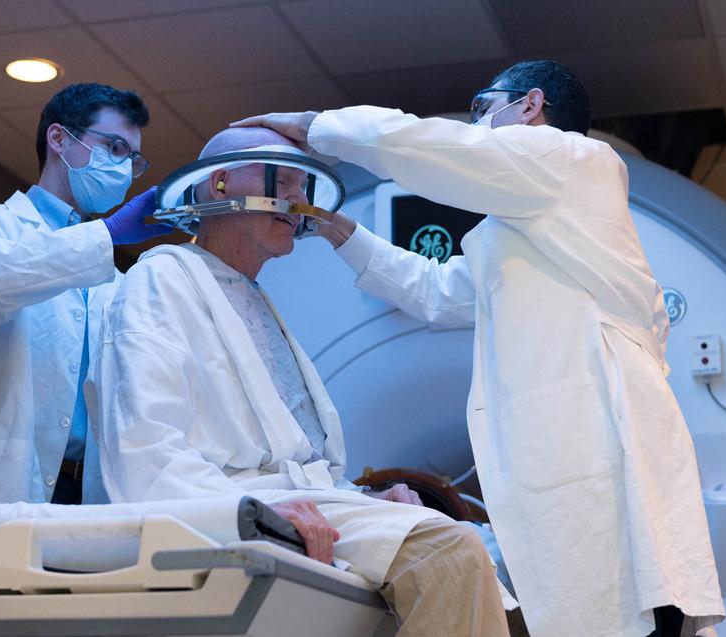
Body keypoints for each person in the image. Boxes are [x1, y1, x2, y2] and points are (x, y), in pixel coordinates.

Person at [233, 60, 726, 637]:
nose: (477, 123)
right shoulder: (522, 232)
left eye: (483, 106)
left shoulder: (576, 160)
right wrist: (338, 227)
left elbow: (441, 149)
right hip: (566, 457)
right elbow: (437, 293)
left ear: (531, 106)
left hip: (601, 442)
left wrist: (317, 127)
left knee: (633, 605)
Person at [84, 126, 513, 637]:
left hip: (298, 502)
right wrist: (256, 510)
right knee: (447, 552)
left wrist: (366, 499)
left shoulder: (253, 299)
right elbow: (145, 453)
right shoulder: (162, 280)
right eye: (283, 182)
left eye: (302, 187)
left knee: (481, 547)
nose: (298, 200)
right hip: (227, 507)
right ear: (219, 185)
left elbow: (295, 460)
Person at [0, 82, 172, 521]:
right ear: (59, 139)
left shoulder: (113, 281)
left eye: (132, 159)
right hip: (1, 482)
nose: (124, 167)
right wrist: (109, 234)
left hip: (89, 491)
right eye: (114, 146)